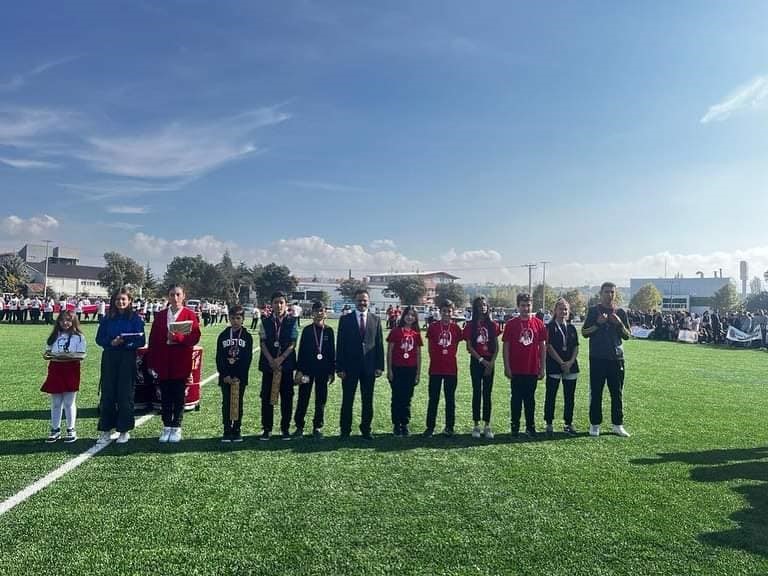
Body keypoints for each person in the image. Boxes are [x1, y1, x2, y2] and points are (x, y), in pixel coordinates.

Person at [147, 285, 201, 443]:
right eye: (172, 294)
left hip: (181, 362)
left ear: (183, 296)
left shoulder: (190, 314)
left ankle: (176, 426)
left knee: (178, 396)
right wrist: (151, 362)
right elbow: (153, 340)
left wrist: (177, 338)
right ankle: (166, 426)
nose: (175, 298)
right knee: (165, 397)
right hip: (163, 363)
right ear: (168, 296)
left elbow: (195, 337)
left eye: (178, 294)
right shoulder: (161, 315)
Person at [95, 288, 145, 444]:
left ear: (129, 301)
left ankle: (124, 430)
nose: (120, 302)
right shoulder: (107, 318)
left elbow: (141, 341)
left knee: (125, 394)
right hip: (110, 357)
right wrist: (111, 342)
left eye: (123, 299)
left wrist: (126, 343)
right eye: (117, 299)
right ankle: (105, 430)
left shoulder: (135, 319)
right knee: (108, 393)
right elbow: (99, 339)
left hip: (127, 358)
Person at [581, 282, 631, 437]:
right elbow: (584, 332)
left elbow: (628, 335)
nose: (610, 295)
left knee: (617, 392)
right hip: (597, 358)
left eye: (612, 292)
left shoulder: (620, 312)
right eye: (607, 292)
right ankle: (595, 424)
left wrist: (619, 324)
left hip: (616, 358)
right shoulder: (593, 311)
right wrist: (598, 323)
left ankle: (617, 424)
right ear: (601, 293)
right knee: (596, 392)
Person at [336, 289, 384, 440]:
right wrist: (340, 367)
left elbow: (379, 344)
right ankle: (345, 430)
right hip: (349, 368)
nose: (362, 303)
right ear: (354, 301)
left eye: (365, 300)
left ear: (369, 301)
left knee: (367, 400)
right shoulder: (345, 319)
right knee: (347, 400)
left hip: (369, 367)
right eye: (359, 300)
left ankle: (366, 429)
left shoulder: (376, 319)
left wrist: (379, 366)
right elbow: (340, 344)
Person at [502, 293, 547, 438]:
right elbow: (506, 347)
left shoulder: (538, 323)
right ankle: (515, 426)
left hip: (532, 368)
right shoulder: (511, 324)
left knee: (530, 399)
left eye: (528, 305)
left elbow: (543, 347)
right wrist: (507, 366)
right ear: (518, 306)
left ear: (532, 306)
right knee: (516, 399)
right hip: (516, 368)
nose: (526, 308)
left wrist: (542, 367)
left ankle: (530, 426)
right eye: (523, 305)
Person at [258, 291, 299, 440]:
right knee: (267, 397)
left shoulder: (292, 321)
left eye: (281, 302)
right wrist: (271, 360)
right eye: (276, 302)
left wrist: (280, 359)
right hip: (269, 366)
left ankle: (285, 428)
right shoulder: (265, 321)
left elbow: (293, 343)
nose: (279, 305)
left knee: (287, 398)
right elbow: (262, 343)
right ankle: (267, 429)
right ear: (271, 304)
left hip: (286, 366)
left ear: (286, 304)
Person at [41, 310, 86, 443]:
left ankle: (71, 429)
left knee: (69, 402)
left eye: (68, 320)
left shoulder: (79, 337)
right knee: (56, 403)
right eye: (62, 320)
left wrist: (66, 356)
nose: (65, 323)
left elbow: (81, 355)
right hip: (55, 369)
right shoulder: (54, 336)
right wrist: (50, 355)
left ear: (73, 321)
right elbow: (47, 352)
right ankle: (55, 429)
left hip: (71, 369)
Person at [293, 301, 335, 439]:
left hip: (323, 371)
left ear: (325, 313)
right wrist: (299, 370)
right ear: (312, 313)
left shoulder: (329, 331)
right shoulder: (307, 330)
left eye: (321, 310)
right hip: (307, 371)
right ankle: (299, 426)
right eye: (316, 311)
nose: (319, 313)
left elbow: (331, 352)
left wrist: (331, 371)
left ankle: (317, 427)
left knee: (321, 399)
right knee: (303, 398)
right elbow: (302, 351)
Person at [424, 300, 464, 437]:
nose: (446, 314)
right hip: (435, 368)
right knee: (433, 398)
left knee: (450, 399)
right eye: (444, 311)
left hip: (451, 369)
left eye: (449, 311)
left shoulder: (456, 328)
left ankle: (449, 427)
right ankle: (430, 427)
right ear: (440, 312)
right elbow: (430, 347)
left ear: (453, 312)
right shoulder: (433, 327)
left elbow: (456, 344)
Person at [215, 305, 253, 443]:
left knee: (237, 402)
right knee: (226, 403)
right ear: (229, 319)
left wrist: (239, 376)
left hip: (239, 377)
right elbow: (219, 357)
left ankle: (237, 430)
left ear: (243, 319)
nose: (235, 321)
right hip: (226, 376)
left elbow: (247, 358)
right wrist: (225, 375)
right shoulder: (223, 335)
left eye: (238, 318)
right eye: (233, 318)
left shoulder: (247, 337)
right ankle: (227, 430)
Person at [463, 296, 499, 439]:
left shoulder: (493, 325)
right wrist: (482, 360)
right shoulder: (470, 326)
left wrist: (491, 363)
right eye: (479, 305)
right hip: (477, 362)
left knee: (487, 394)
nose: (482, 307)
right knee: (477, 392)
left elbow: (496, 347)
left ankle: (487, 425)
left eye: (484, 305)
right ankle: (476, 425)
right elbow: (469, 347)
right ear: (475, 308)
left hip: (490, 363)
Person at [544, 298, 580, 437]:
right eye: (560, 309)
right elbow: (549, 347)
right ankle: (549, 423)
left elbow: (576, 347)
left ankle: (568, 423)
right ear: (555, 310)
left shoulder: (571, 328)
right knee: (551, 395)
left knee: (569, 397)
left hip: (571, 366)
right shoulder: (550, 327)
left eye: (565, 309)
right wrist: (561, 363)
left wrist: (570, 362)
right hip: (554, 365)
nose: (563, 312)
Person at [386, 306, 423, 437]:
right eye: (408, 314)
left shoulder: (416, 334)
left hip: (411, 370)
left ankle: (404, 424)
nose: (410, 317)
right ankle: (396, 424)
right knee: (396, 397)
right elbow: (390, 352)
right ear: (403, 316)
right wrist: (389, 370)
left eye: (413, 315)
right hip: (397, 369)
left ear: (415, 318)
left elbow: (418, 354)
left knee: (407, 398)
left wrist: (418, 373)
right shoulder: (396, 331)